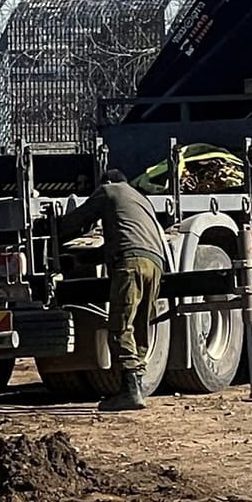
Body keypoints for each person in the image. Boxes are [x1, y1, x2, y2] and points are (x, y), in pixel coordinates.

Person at [57, 169, 168, 412]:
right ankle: (135, 382)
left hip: (130, 264)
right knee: (140, 324)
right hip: (155, 263)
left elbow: (75, 222)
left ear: (106, 182)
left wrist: (51, 228)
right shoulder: (140, 198)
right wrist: (83, 261)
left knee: (120, 325)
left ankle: (130, 391)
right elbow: (124, 239)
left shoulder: (107, 190)